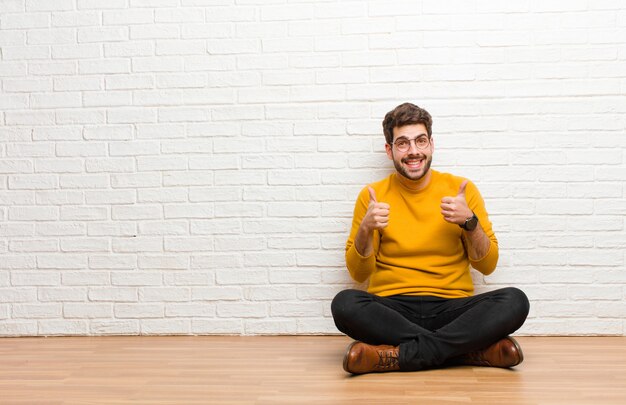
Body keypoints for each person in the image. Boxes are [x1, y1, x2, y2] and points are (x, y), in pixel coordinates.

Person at [331, 102, 530, 374]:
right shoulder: (373, 196)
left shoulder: (461, 190)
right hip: (393, 309)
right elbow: (358, 272)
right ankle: (468, 351)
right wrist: (366, 230)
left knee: (515, 300)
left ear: (431, 144)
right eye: (402, 143)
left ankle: (392, 356)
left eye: (420, 141)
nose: (413, 151)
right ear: (389, 150)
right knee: (344, 304)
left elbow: (487, 266)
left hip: (452, 307)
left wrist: (470, 223)